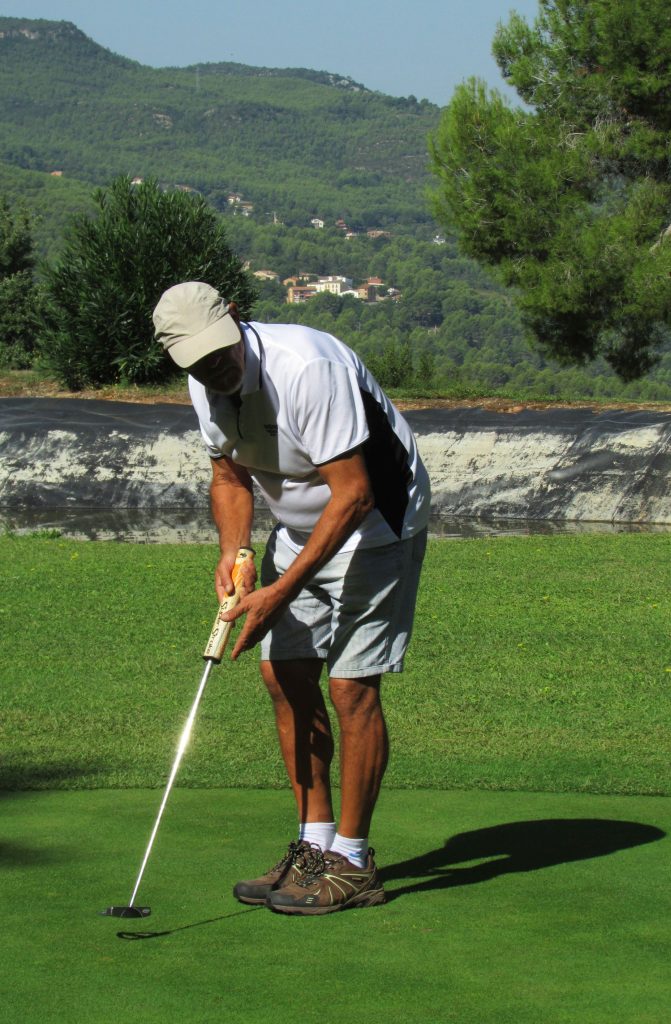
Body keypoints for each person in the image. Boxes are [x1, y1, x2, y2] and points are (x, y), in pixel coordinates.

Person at [153, 281, 430, 915]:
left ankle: (353, 863)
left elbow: (355, 493)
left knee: (351, 687)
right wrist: (235, 553)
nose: (214, 369)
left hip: (377, 526)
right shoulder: (203, 381)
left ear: (235, 317)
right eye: (197, 363)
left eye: (219, 353)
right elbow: (229, 476)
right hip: (300, 531)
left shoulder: (308, 368)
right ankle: (314, 844)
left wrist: (281, 590)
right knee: (284, 675)